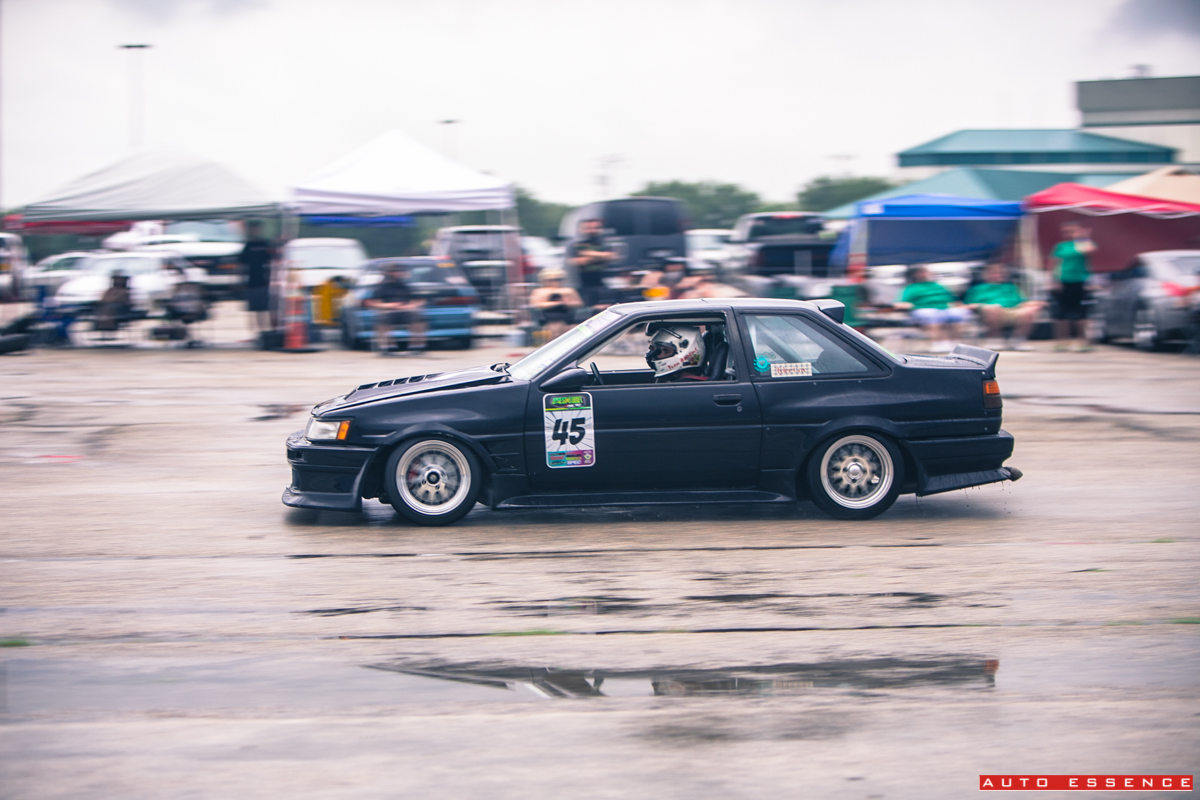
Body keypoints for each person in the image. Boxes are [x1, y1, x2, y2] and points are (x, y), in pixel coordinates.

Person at [965, 262, 1044, 350]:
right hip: (988, 312)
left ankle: (1017, 341)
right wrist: (985, 306)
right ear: (986, 275)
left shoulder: (1011, 287)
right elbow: (968, 305)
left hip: (1012, 311)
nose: (998, 275)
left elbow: (1021, 302)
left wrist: (1034, 304)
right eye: (994, 273)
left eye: (1000, 273)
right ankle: (995, 340)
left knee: (1030, 310)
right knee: (993, 308)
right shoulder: (977, 289)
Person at [893, 264, 972, 353]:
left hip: (944, 309)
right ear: (915, 275)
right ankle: (938, 342)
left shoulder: (938, 286)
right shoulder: (910, 288)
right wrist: (911, 306)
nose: (924, 274)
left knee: (958, 313)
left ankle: (954, 342)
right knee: (932, 315)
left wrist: (957, 305)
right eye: (921, 272)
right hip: (923, 309)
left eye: (925, 272)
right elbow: (900, 303)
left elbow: (953, 300)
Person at [1050, 221, 1095, 352]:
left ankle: (1083, 341)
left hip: (1079, 282)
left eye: (1072, 231)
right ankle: (1062, 342)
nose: (1068, 234)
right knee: (1061, 314)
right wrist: (1054, 280)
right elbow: (1054, 263)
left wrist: (1083, 237)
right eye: (1066, 231)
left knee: (1080, 314)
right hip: (1063, 282)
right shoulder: (1061, 246)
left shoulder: (1084, 244)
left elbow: (1088, 250)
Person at [364, 262, 425, 356]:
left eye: (400, 271)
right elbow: (373, 302)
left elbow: (419, 300)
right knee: (382, 319)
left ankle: (417, 347)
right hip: (388, 310)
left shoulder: (407, 286)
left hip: (406, 310)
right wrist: (389, 306)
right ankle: (388, 347)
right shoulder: (381, 287)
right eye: (394, 271)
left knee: (418, 317)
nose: (398, 273)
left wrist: (411, 306)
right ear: (388, 273)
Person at [568, 218, 617, 307]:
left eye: (596, 228)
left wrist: (588, 253)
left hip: (603, 282)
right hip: (582, 283)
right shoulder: (575, 243)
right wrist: (600, 257)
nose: (593, 230)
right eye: (589, 228)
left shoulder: (604, 242)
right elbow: (574, 261)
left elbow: (612, 256)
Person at [239, 220, 275, 334]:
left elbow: (271, 262)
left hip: (265, 282)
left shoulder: (265, 244)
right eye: (252, 229)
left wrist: (271, 278)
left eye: (256, 228)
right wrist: (241, 281)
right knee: (254, 308)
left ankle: (267, 330)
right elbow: (241, 264)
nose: (255, 231)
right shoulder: (248, 246)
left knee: (266, 308)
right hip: (252, 282)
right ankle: (257, 332)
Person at [527, 267, 583, 340]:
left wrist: (565, 303)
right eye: (551, 280)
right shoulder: (539, 291)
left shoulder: (569, 291)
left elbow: (579, 303)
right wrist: (555, 303)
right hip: (547, 319)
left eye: (558, 279)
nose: (555, 282)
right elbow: (535, 304)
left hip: (567, 318)